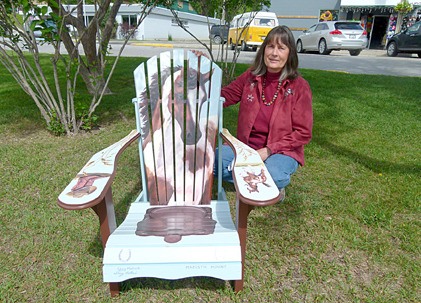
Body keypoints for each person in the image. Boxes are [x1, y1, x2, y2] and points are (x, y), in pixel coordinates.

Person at [214, 25, 313, 201]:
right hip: (247, 148)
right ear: (263, 50)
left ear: (290, 54)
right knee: (209, 161)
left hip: (281, 151)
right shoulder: (251, 78)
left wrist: (268, 150)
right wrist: (205, 70)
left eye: (281, 48)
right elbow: (224, 96)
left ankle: (266, 182)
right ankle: (256, 180)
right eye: (270, 46)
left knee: (276, 175)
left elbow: (303, 133)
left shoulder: (299, 87)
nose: (274, 53)